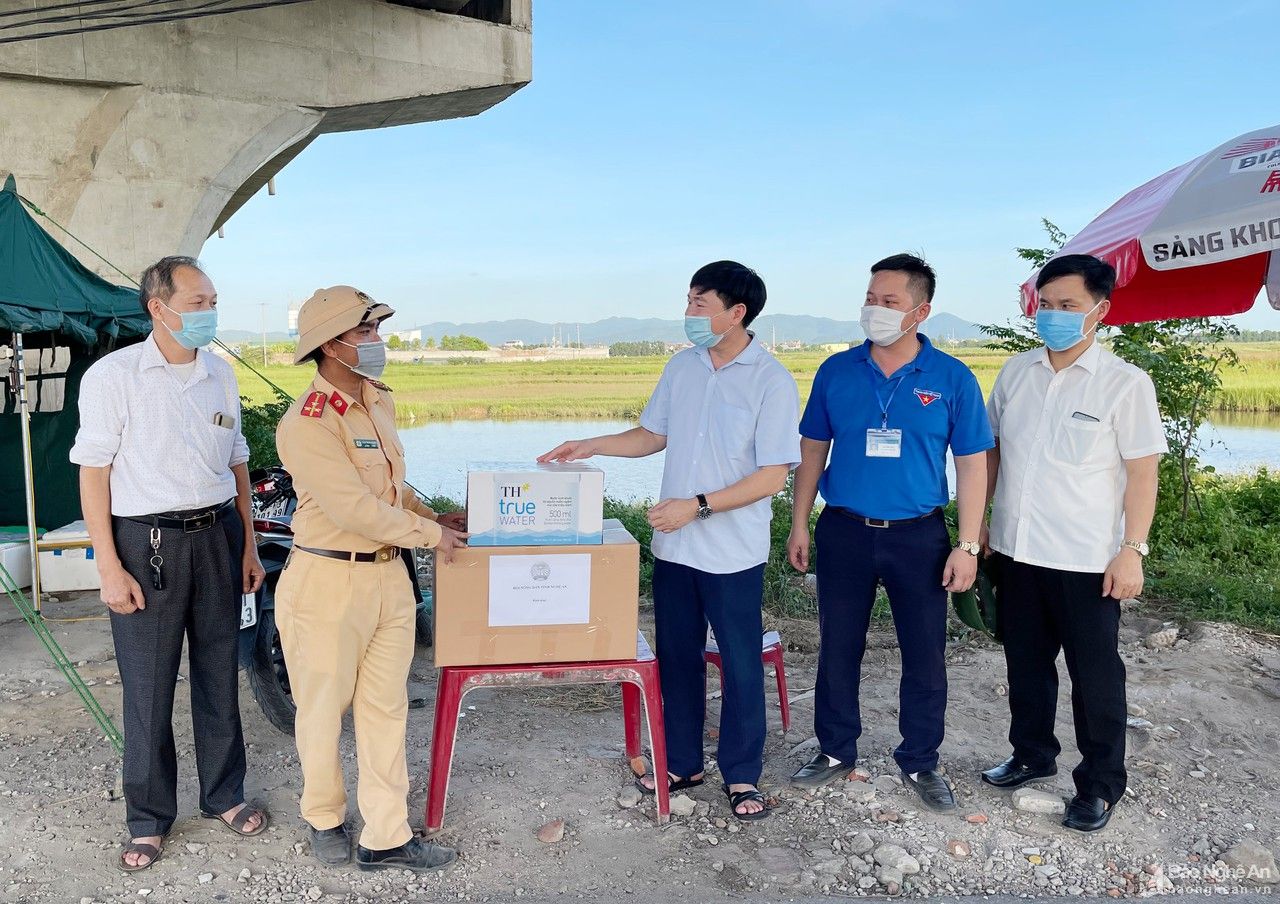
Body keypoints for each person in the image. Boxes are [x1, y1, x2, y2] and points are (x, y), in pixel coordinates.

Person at [540, 261, 800, 821]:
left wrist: (699, 505)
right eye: (688, 301)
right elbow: (653, 435)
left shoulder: (771, 379)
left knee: (738, 662)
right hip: (675, 548)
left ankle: (742, 775)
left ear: (737, 313)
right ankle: (683, 762)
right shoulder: (682, 368)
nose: (689, 314)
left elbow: (773, 475)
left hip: (732, 552)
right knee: (677, 657)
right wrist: (590, 444)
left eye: (700, 304)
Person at [70, 256, 268, 872]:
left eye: (213, 299)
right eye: (198, 299)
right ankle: (149, 818)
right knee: (149, 687)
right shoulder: (114, 375)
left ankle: (224, 796)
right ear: (159, 307)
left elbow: (236, 459)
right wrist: (107, 564)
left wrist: (250, 544)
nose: (210, 310)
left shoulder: (219, 373)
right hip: (144, 543)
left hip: (219, 536)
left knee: (219, 673)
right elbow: (93, 471)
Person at [787, 254, 992, 812]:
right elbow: (812, 450)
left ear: (920, 311)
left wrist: (967, 544)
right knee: (839, 646)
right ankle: (834, 749)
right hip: (844, 530)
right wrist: (800, 522)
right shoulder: (837, 370)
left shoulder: (952, 378)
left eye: (890, 301)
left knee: (924, 653)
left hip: (918, 536)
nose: (874, 309)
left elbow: (974, 463)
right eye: (870, 298)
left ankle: (921, 759)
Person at [274, 286, 467, 870]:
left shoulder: (377, 401)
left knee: (386, 709)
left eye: (376, 331)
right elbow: (352, 508)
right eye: (365, 333)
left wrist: (433, 516)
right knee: (322, 708)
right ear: (332, 345)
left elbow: (388, 489)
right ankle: (324, 816)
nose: (376, 343)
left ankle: (385, 834)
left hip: (388, 577)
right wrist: (433, 538)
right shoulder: (307, 421)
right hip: (326, 581)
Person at [980, 254, 1165, 833]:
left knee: (1095, 675)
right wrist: (980, 523)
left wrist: (1132, 548)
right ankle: (1032, 754)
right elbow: (991, 452)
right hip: (1016, 549)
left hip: (1087, 558)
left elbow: (1142, 473)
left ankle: (1101, 784)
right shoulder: (1016, 373)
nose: (1053, 315)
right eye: (1046, 304)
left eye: (1069, 306)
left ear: (1100, 311)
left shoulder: (1125, 384)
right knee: (1026, 665)